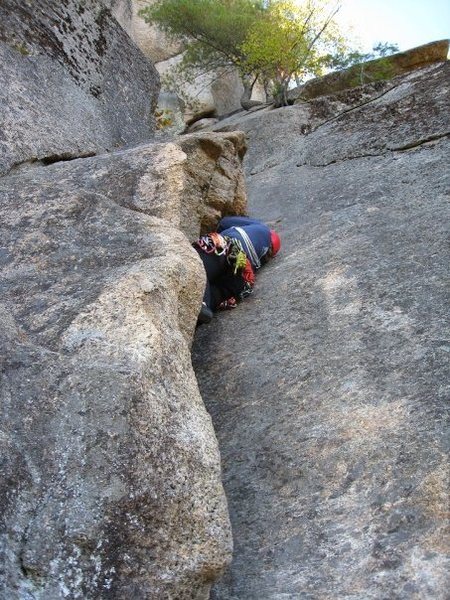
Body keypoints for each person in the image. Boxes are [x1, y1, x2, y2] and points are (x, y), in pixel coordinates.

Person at [193, 216, 281, 324]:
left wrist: (222, 232)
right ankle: (203, 310)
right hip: (241, 278)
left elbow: (224, 222)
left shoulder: (263, 228)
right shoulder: (259, 260)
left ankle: (202, 304)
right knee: (216, 292)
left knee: (197, 263)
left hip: (229, 249)